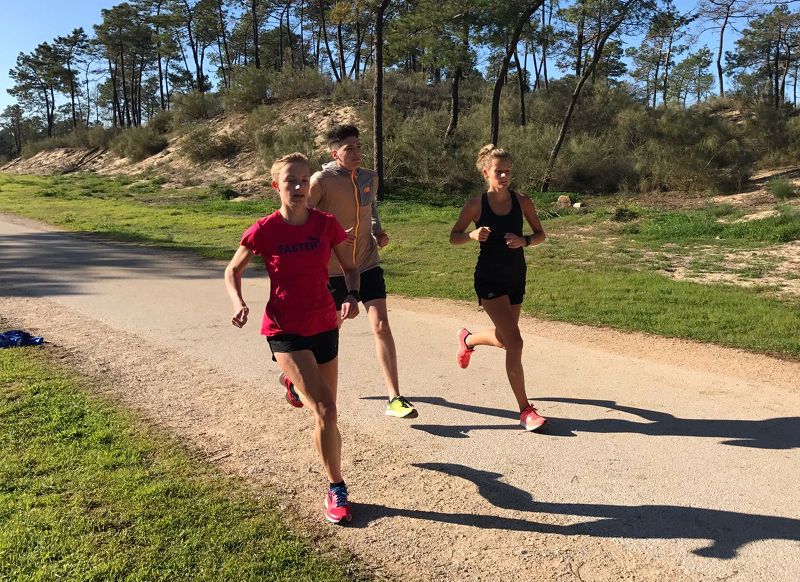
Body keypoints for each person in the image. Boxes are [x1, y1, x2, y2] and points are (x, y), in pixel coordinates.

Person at [224, 152, 361, 524]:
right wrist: (239, 302)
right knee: (326, 410)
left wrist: (351, 296)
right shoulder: (264, 229)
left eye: (304, 180)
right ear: (276, 187)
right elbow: (232, 270)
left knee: (327, 415)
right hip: (285, 328)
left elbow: (350, 269)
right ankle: (336, 487)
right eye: (291, 181)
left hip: (325, 324)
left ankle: (291, 382)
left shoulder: (326, 224)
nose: (299, 187)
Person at [281, 123, 417, 419]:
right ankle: (294, 377)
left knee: (381, 325)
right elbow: (303, 215)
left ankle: (395, 398)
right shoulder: (321, 180)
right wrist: (331, 235)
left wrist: (377, 230)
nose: (357, 153)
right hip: (332, 270)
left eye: (359, 147)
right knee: (328, 333)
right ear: (335, 153)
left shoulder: (370, 177)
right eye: (349, 149)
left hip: (367, 262)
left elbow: (371, 207)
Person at [449, 144, 547, 431]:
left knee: (506, 340)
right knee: (515, 342)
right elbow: (454, 237)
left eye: (508, 171)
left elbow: (541, 234)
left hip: (516, 276)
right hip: (489, 279)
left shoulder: (522, 201)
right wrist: (471, 235)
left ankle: (467, 340)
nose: (504, 175)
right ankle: (526, 411)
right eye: (498, 171)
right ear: (485, 173)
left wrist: (524, 241)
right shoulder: (475, 204)